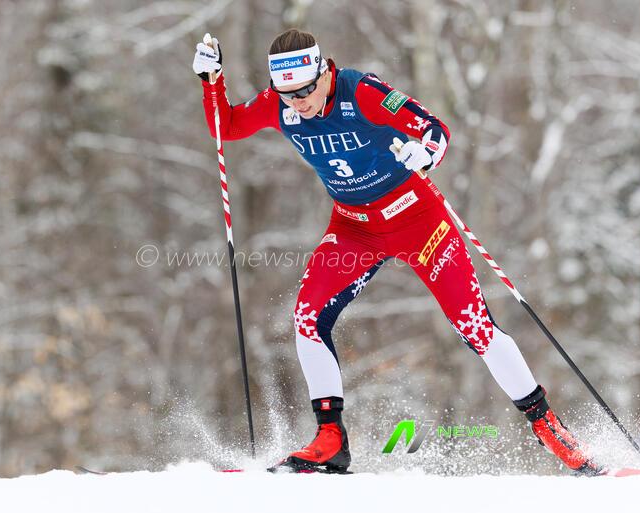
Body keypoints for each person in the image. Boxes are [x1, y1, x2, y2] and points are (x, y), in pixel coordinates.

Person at [193, 29, 604, 475]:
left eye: (306, 90)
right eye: (287, 94)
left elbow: (434, 129)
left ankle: (548, 427)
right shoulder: (281, 105)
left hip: (418, 223)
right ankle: (330, 439)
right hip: (354, 229)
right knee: (307, 318)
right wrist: (211, 81)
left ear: (323, 72)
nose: (299, 103)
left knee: (474, 325)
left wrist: (424, 154)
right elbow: (226, 126)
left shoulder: (362, 91)